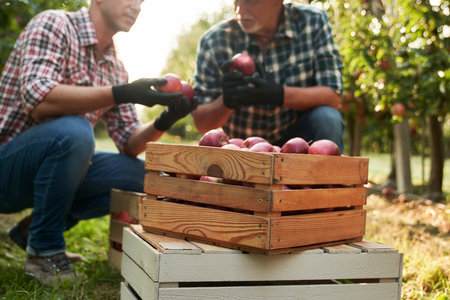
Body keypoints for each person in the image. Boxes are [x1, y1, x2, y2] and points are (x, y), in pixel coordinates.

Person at [0, 0, 196, 286]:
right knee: (75, 131)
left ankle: (33, 231)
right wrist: (121, 93)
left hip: (52, 170)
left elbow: (129, 143)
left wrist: (163, 122)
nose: (137, 6)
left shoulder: (115, 67)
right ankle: (44, 251)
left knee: (143, 177)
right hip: (8, 168)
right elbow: (38, 99)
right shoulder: (55, 24)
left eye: (142, 1)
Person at [192, 0, 344, 151]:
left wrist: (279, 94)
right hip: (242, 148)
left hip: (300, 141)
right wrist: (226, 102)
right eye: (236, 1)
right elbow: (202, 124)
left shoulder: (312, 22)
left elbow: (332, 96)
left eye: (250, 2)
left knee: (327, 118)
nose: (240, 9)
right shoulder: (214, 41)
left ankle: (325, 173)